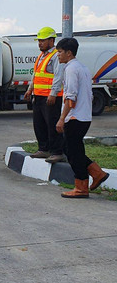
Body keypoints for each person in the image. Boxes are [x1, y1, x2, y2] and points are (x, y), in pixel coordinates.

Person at [55, 38, 110, 198]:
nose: (58, 55)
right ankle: (96, 173)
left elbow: (70, 96)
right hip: (84, 115)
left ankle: (82, 186)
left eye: (60, 52)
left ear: (69, 53)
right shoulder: (83, 68)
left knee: (73, 153)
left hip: (75, 117)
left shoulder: (71, 69)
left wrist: (62, 118)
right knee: (71, 150)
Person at [23, 26, 65, 163]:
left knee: (52, 125)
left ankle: (57, 152)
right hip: (39, 96)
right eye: (39, 40)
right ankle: (44, 149)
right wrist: (30, 89)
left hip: (51, 98)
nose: (40, 43)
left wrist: (53, 94)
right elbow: (36, 74)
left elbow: (58, 77)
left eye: (43, 40)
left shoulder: (56, 56)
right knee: (39, 124)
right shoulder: (41, 56)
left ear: (52, 40)